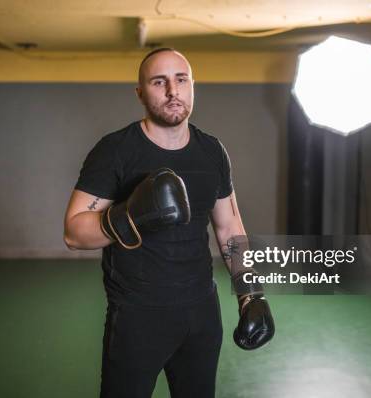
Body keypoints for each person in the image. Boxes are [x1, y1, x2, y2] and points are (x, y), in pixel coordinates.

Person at [63, 48, 274, 398]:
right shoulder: (115, 150)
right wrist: (129, 215)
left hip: (202, 312)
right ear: (141, 93)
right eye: (159, 82)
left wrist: (250, 294)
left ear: (193, 86)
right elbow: (73, 232)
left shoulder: (212, 151)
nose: (173, 91)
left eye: (181, 80)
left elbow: (229, 225)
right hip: (137, 313)